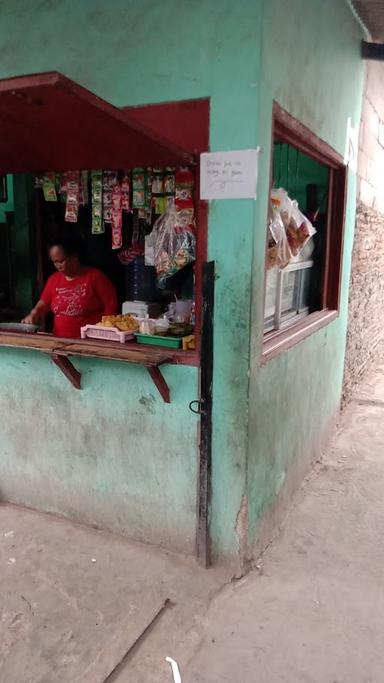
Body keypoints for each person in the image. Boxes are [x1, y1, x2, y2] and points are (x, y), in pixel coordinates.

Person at [22, 235, 118, 338]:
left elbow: (111, 306)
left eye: (61, 261)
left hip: (90, 341)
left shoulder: (95, 277)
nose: (58, 266)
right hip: (60, 340)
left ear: (74, 257)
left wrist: (105, 332)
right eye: (55, 262)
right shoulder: (54, 279)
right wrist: (34, 313)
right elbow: (44, 302)